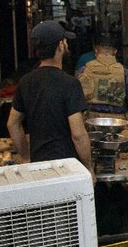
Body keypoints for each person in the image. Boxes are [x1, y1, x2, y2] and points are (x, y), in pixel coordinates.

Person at [6, 20, 93, 180]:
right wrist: (88, 168)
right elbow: (78, 134)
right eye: (65, 41)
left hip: (38, 167)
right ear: (60, 46)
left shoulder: (26, 81)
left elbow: (13, 124)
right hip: (67, 168)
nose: (66, 44)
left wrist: (26, 157)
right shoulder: (70, 83)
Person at [77, 32, 128, 122]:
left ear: (96, 50)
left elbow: (76, 98)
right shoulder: (124, 72)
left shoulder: (84, 70)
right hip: (118, 120)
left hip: (91, 120)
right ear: (115, 51)